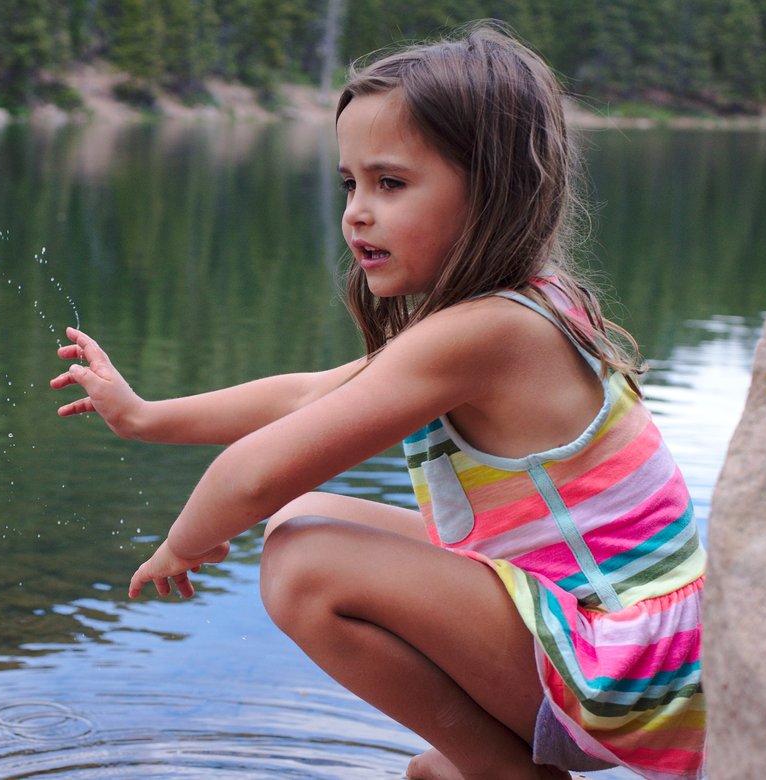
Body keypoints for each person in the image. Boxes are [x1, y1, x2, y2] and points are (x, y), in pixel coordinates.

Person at [49, 22, 705, 780]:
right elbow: (307, 395)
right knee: (307, 522)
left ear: (493, 190)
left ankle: (509, 773)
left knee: (305, 564)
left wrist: (185, 543)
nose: (357, 212)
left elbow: (254, 474)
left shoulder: (488, 333)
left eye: (390, 184)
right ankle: (478, 761)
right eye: (349, 184)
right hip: (633, 636)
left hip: (631, 669)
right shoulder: (516, 308)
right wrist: (145, 416)